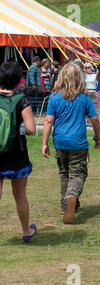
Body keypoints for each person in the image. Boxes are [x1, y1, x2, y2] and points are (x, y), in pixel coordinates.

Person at [42, 63, 100, 224]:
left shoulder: (54, 96)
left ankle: (64, 206)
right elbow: (95, 118)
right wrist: (97, 137)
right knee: (78, 173)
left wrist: (44, 143)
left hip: (60, 142)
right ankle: (72, 196)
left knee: (63, 173)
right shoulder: (84, 96)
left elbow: (48, 121)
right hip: (78, 143)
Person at [0, 62, 37, 243]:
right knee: (20, 195)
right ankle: (26, 230)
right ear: (16, 79)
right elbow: (31, 129)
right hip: (16, 152)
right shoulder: (21, 100)